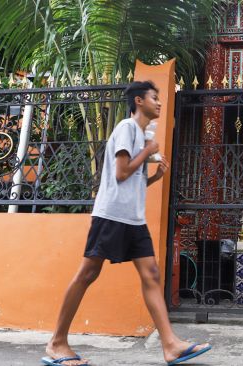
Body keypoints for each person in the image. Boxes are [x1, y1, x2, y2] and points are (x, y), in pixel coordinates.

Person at [42, 81, 211, 366]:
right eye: (153, 98)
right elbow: (121, 173)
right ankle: (57, 341)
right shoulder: (127, 128)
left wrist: (156, 175)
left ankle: (170, 344)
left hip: (133, 218)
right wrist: (148, 151)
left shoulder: (140, 134)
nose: (159, 103)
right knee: (88, 273)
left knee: (152, 274)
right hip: (111, 215)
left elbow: (133, 180)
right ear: (138, 101)